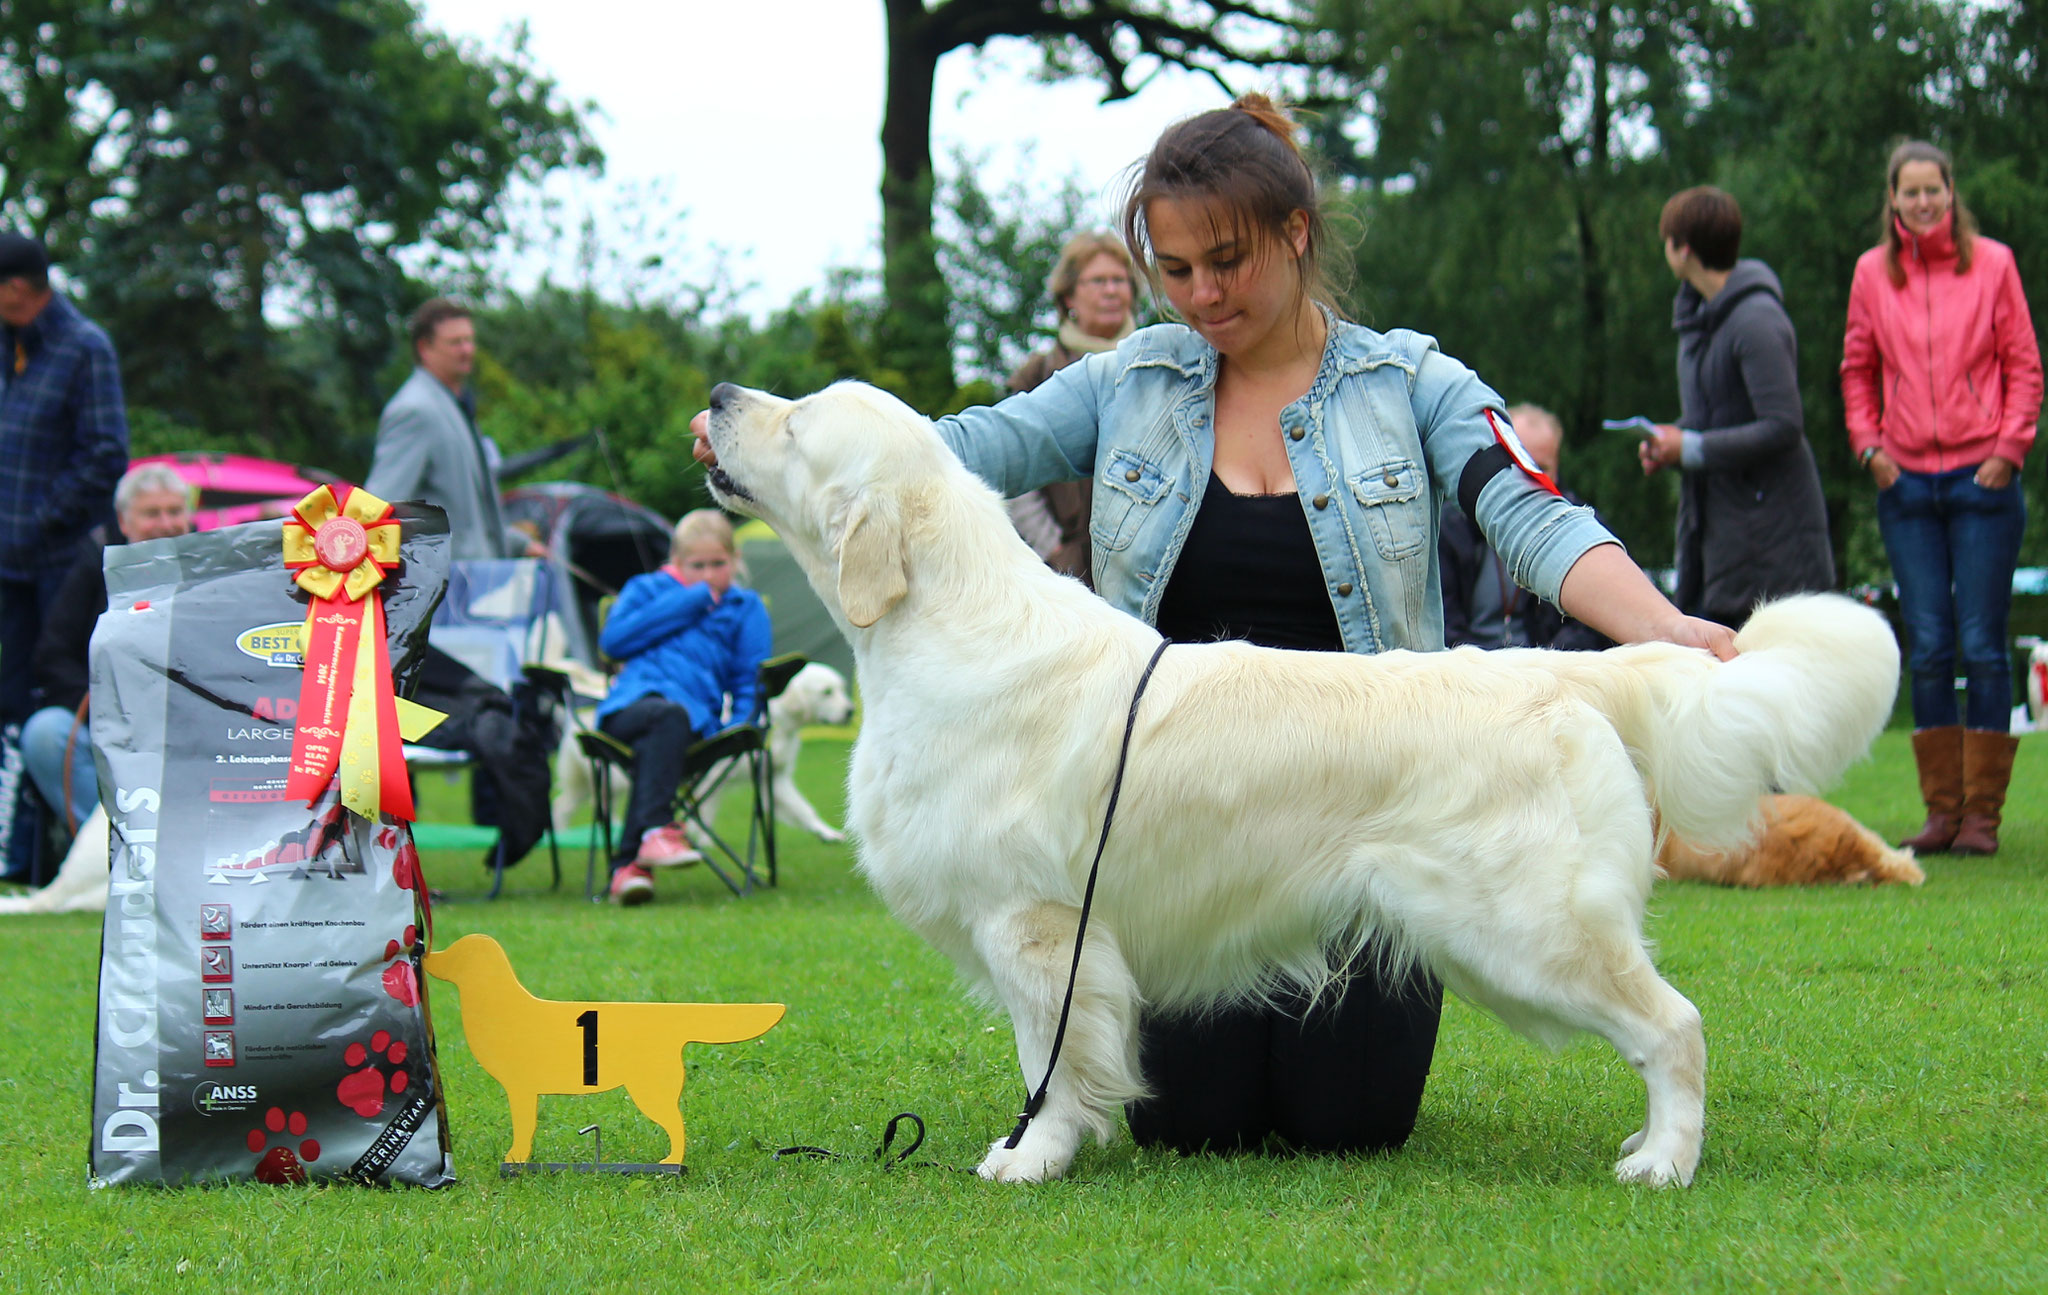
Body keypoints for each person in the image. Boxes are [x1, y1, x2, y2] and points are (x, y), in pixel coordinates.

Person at [693, 97, 1732, 1156]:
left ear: (1296, 232)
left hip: (1370, 781)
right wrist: (773, 454)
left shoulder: (1413, 382)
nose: (1199, 295)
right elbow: (949, 454)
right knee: (1194, 1126)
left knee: (1345, 1123)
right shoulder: (1125, 379)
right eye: (1175, 270)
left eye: (1224, 261)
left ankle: (1640, 1054)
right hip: (1177, 826)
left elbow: (1530, 514)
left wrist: (1661, 628)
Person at [1841, 140, 2042, 857]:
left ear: (1951, 194)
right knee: (1927, 645)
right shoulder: (1873, 273)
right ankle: (1940, 812)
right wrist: (1870, 446)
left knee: (1983, 645)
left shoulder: (1993, 263)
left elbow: (2023, 363)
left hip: (1982, 477)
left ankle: (1982, 815)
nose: (1923, 202)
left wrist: (2008, 449)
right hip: (1906, 484)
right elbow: (1857, 367)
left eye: (1934, 190)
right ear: (1892, 201)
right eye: (1910, 192)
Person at [1637, 187, 1834, 630]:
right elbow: (1715, 420)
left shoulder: (1756, 320)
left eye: (1666, 240)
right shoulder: (1697, 320)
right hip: (1723, 535)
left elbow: (1783, 424)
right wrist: (1671, 441)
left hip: (1773, 540)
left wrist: (1691, 448)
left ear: (1683, 249)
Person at [598, 509, 772, 906]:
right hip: (628, 709)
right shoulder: (646, 589)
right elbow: (614, 643)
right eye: (697, 566)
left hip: (693, 721)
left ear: (735, 560)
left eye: (718, 564)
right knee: (664, 718)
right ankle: (656, 832)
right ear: (675, 564)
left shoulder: (745, 607)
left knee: (665, 730)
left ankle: (628, 869)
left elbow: (749, 678)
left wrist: (741, 723)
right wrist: (691, 598)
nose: (709, 575)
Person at [21, 462, 192, 836]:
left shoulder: (211, 570)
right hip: (104, 722)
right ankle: (107, 852)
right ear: (124, 521)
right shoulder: (94, 564)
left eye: (175, 511)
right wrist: (107, 709)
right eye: (152, 513)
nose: (166, 523)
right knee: (45, 732)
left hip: (186, 728)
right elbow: (53, 656)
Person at [0, 232, 129, 726]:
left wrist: (40, 522)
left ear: (15, 288)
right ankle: (16, 802)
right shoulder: (12, 345)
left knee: (58, 695)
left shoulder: (83, 347)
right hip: (10, 565)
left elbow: (106, 455)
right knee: (9, 698)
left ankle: (64, 798)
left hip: (60, 565)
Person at [1004, 232, 1138, 580]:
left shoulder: (1157, 365)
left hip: (1150, 564)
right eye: (1098, 281)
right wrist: (1055, 551)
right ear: (1068, 296)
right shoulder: (1036, 376)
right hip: (1073, 572)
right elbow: (1015, 472)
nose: (1111, 290)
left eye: (1119, 280)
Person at [365, 297, 531, 561]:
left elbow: (467, 523)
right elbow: (376, 511)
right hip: (445, 593)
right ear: (424, 348)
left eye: (469, 340)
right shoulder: (415, 410)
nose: (467, 350)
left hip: (477, 584)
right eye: (455, 342)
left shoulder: (453, 405)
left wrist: (519, 544)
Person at [1439, 403, 1612, 652]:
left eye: (1541, 467)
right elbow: (1442, 624)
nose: (1529, 477)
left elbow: (1595, 624)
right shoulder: (1451, 528)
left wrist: (1546, 665)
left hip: (1552, 675)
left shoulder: (1584, 529)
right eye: (1519, 462)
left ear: (1558, 466)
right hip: (1470, 676)